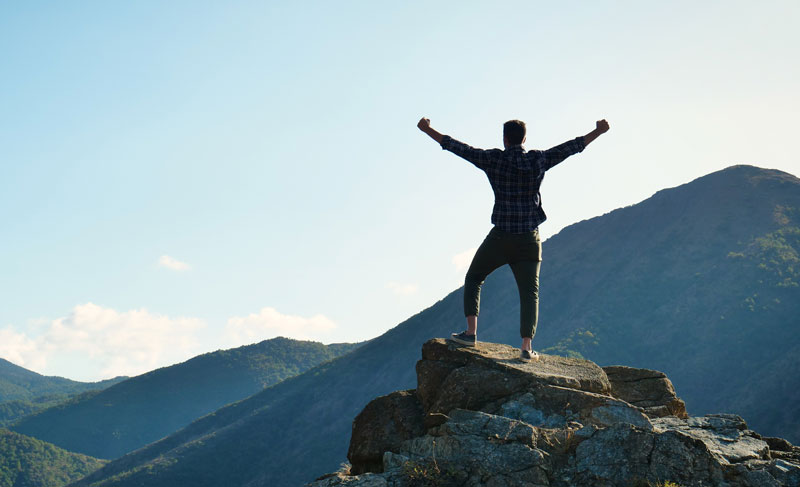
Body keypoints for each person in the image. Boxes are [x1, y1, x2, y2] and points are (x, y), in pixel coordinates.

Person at [417, 116, 610, 362]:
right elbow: (571, 147)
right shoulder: (537, 159)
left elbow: (458, 147)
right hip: (529, 239)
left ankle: (470, 333)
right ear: (524, 139)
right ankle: (526, 348)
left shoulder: (494, 159)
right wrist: (598, 132)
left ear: (505, 139)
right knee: (530, 293)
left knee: (474, 278)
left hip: (501, 237)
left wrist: (428, 130)